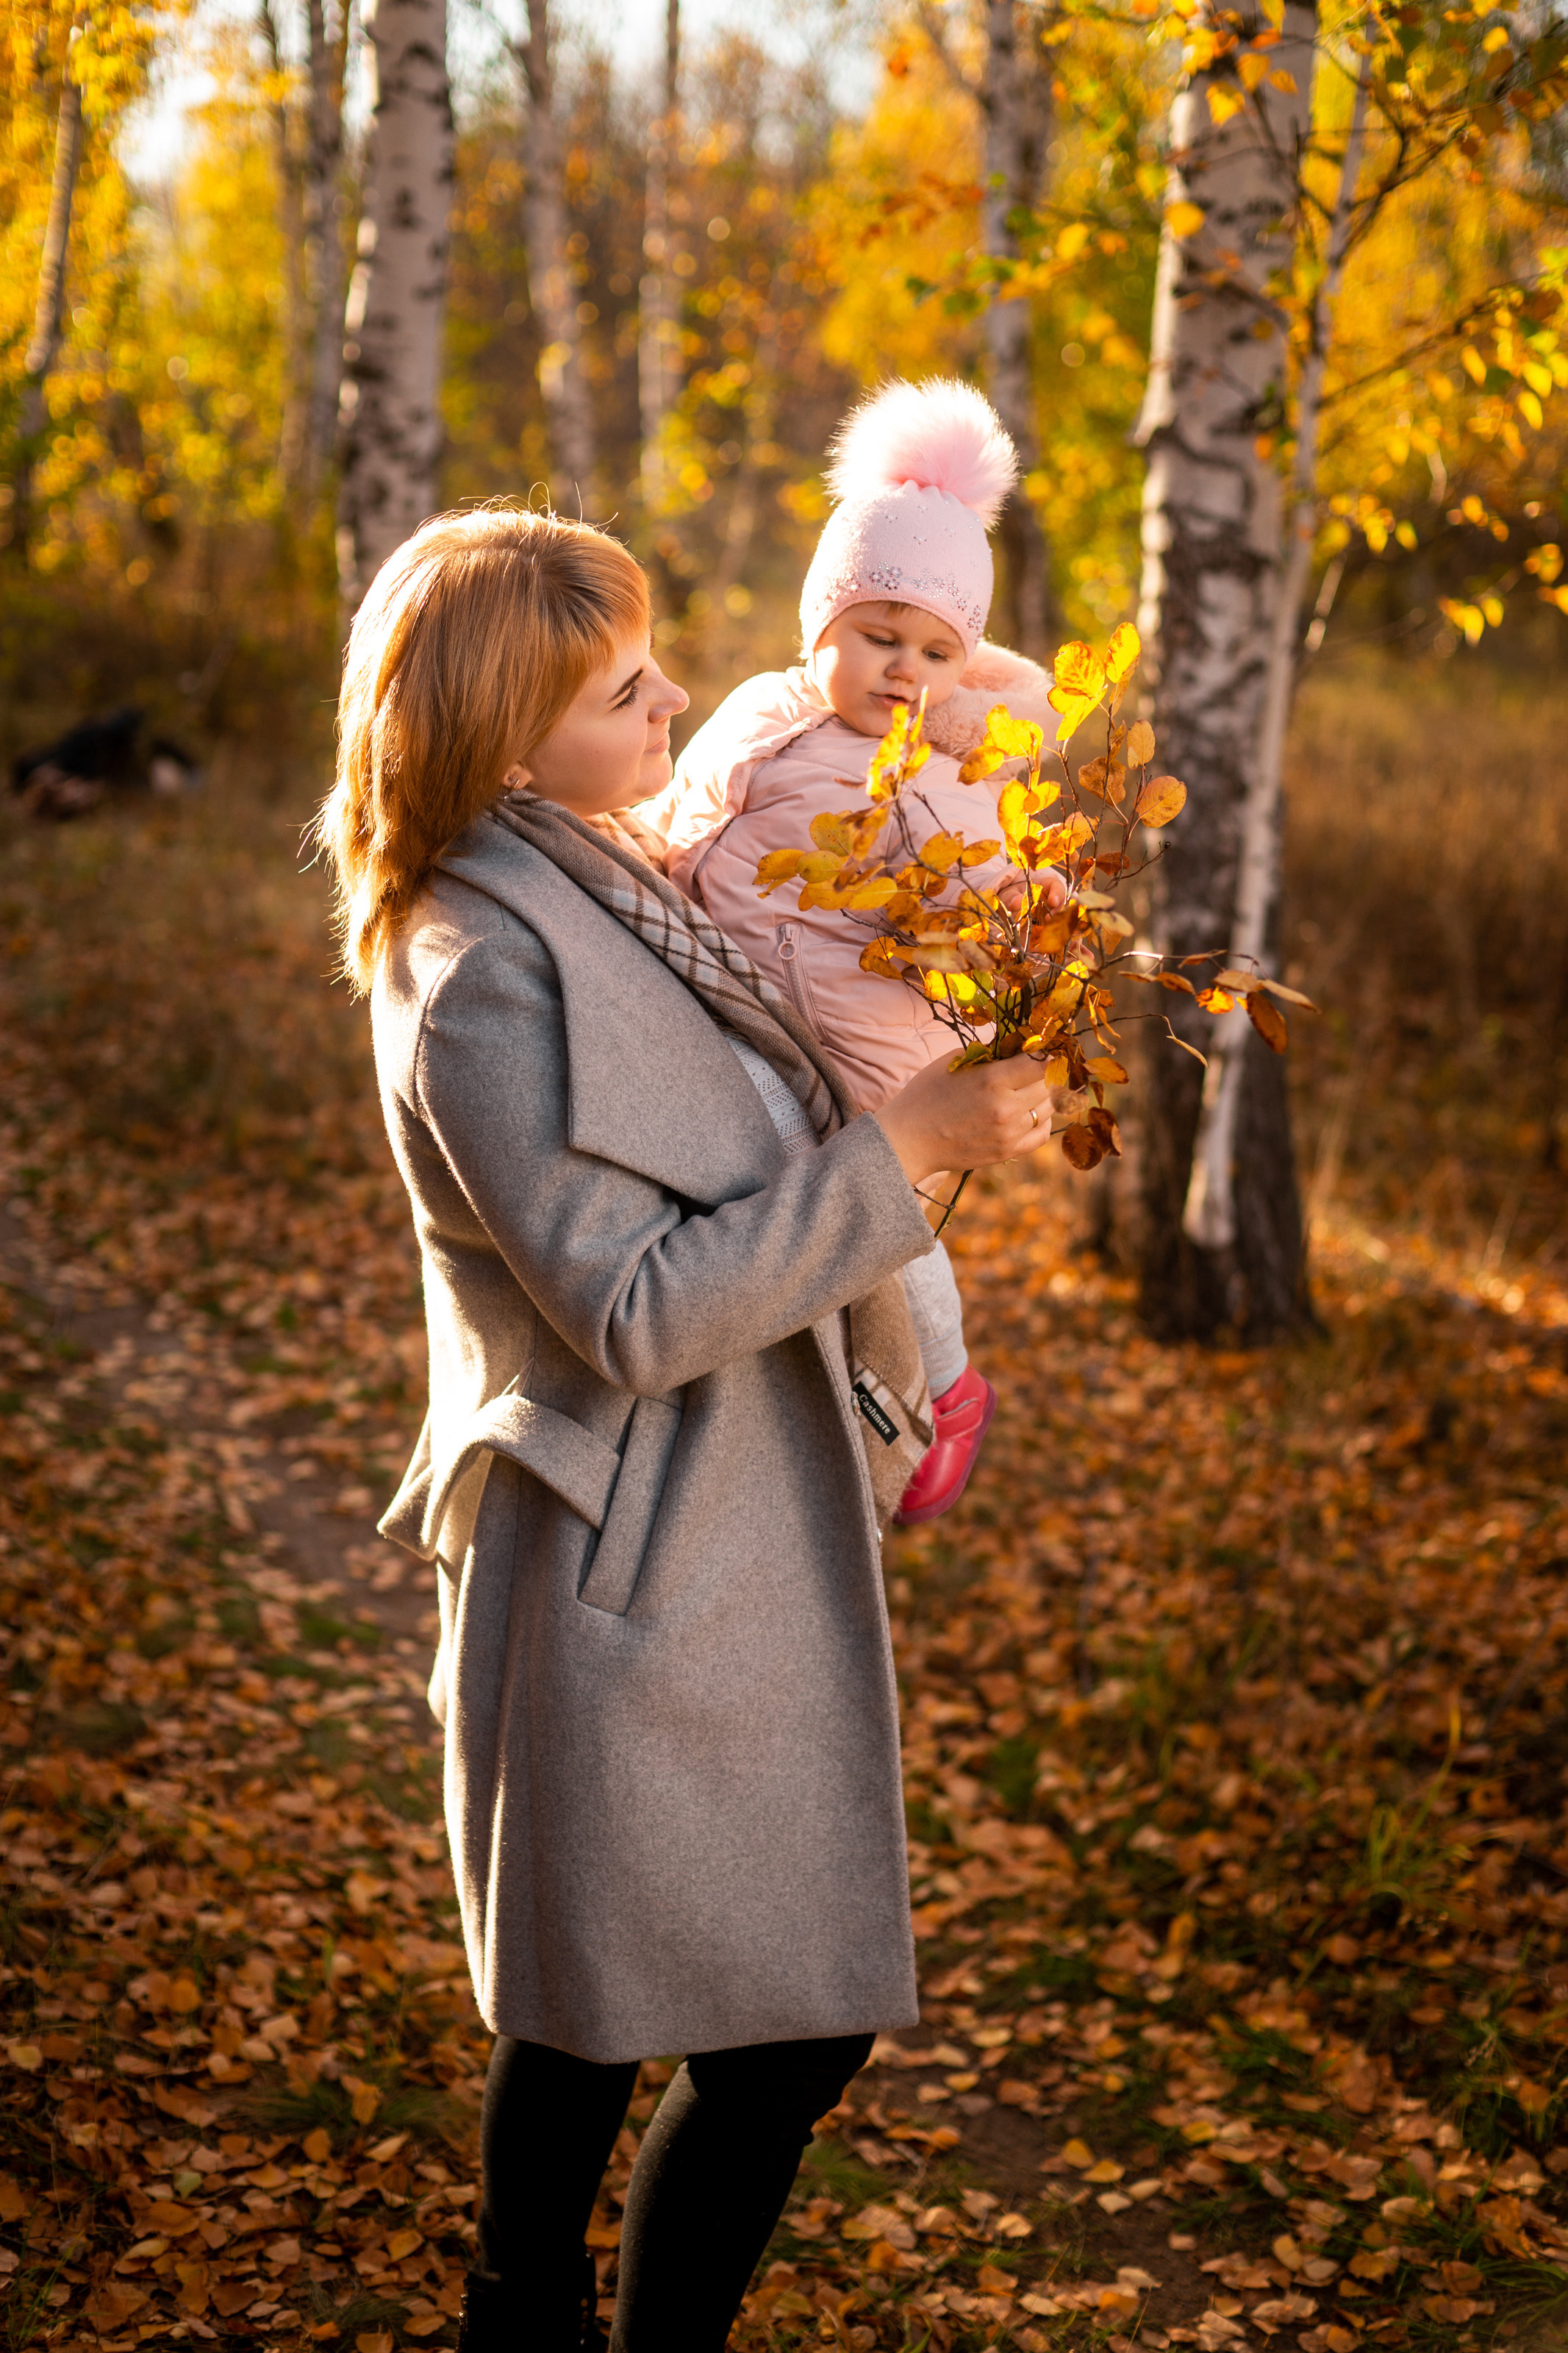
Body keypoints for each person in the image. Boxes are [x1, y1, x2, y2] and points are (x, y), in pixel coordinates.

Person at [315, 504, 1059, 2352]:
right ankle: (530, 2311)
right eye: (620, 689)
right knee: (629, 2017)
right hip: (621, 1554)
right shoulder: (477, 971)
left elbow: (793, 1007)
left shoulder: (606, 868)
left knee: (680, 2012)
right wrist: (907, 1154)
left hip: (736, 1522)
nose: (669, 703)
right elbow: (633, 1305)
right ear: (499, 744)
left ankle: (546, 2314)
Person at [643, 377, 1060, 1527]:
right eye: (877, 636)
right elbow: (678, 823)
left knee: (883, 1239)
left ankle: (939, 1392)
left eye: (935, 651)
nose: (901, 672)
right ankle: (791, 1427)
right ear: (820, 624)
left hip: (876, 1067)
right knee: (756, 1220)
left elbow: (994, 902)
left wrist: (1017, 940)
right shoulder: (757, 718)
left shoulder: (960, 771)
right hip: (736, 1027)